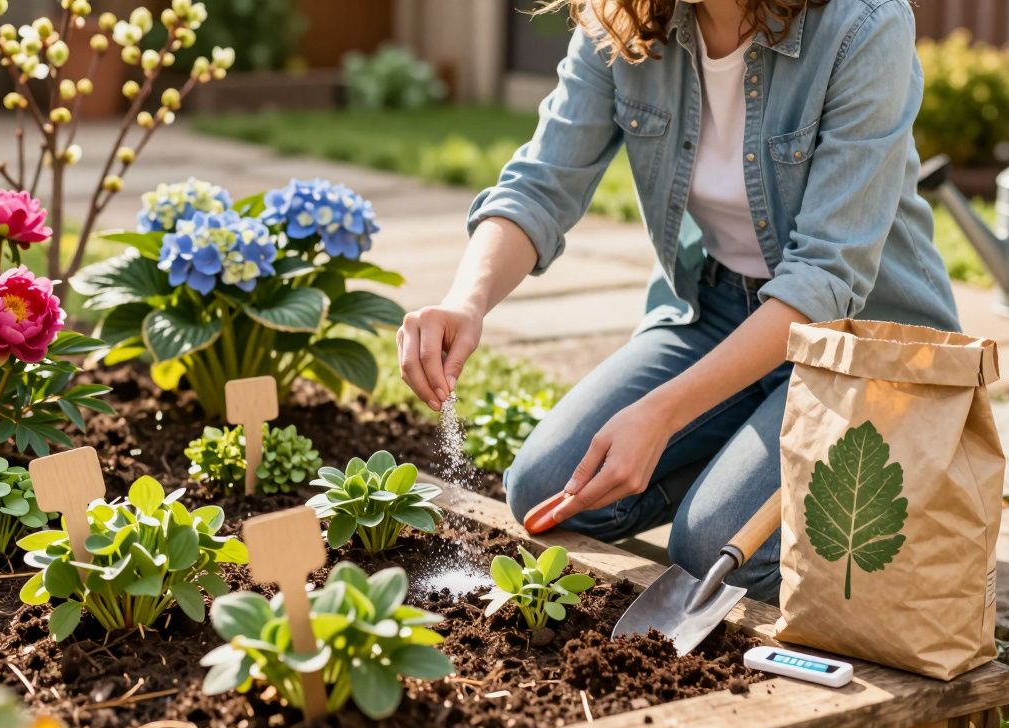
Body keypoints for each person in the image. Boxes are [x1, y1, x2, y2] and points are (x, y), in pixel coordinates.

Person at [396, 0, 959, 604]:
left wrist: (664, 415)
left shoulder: (862, 25)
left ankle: (898, 483)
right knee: (544, 491)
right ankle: (748, 460)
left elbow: (824, 276)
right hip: (715, 309)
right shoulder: (623, 20)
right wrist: (466, 300)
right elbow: (541, 183)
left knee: (715, 552)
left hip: (857, 342)